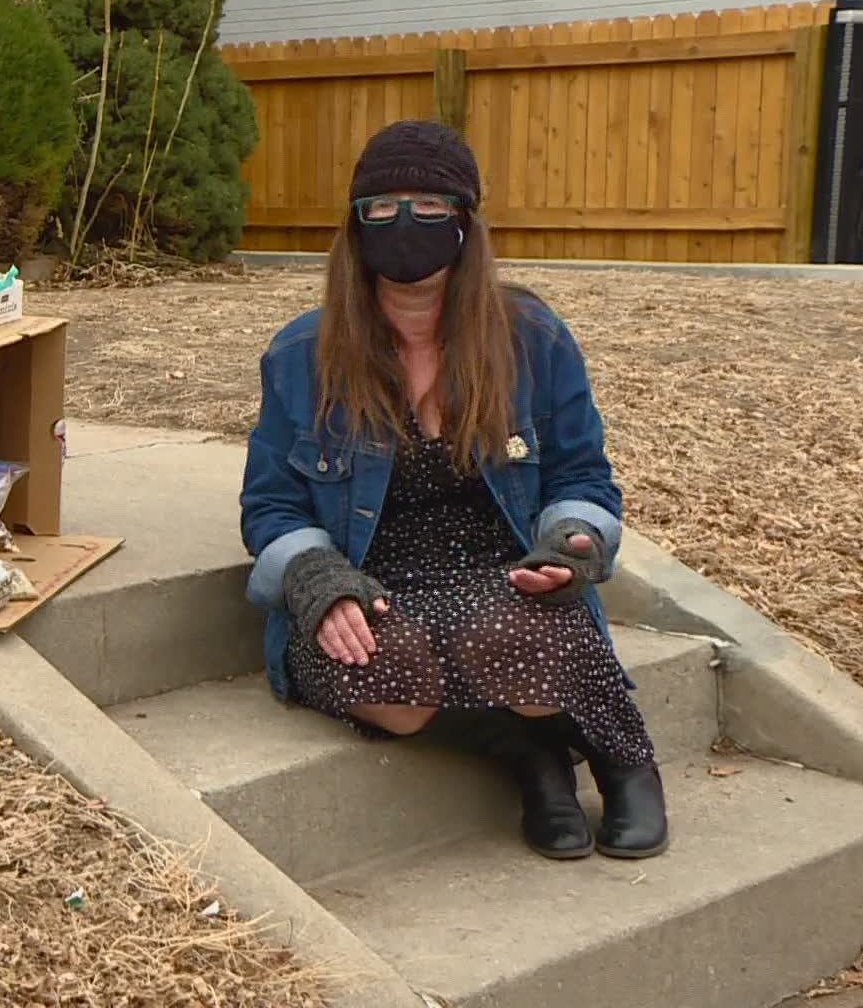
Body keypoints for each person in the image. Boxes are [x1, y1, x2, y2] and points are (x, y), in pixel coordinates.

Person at [238, 119, 667, 861]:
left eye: (430, 207)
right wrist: (315, 578)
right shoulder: (302, 353)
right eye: (383, 206)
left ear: (466, 223)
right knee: (386, 680)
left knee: (517, 638)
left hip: (503, 574)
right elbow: (270, 505)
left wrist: (573, 544)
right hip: (373, 580)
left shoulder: (532, 336)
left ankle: (623, 757)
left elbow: (581, 475)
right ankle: (523, 749)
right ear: (355, 226)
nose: (405, 223)